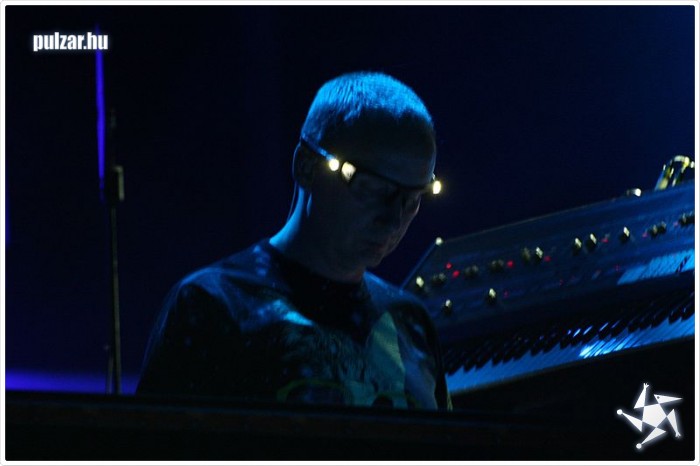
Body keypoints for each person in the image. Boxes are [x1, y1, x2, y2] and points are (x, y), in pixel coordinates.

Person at [136, 71, 451, 410]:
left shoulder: (410, 321)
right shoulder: (213, 305)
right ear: (306, 167)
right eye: (372, 188)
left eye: (413, 199)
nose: (394, 218)